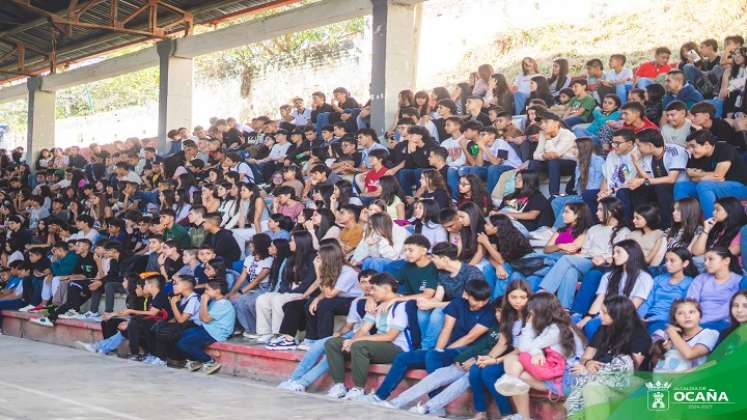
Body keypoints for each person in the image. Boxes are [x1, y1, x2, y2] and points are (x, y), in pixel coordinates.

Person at [370, 279, 495, 403]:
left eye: (484, 300)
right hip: (451, 349)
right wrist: (440, 350)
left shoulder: (489, 311)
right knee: (403, 358)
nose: (480, 304)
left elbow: (470, 338)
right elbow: (446, 329)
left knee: (433, 355)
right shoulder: (458, 303)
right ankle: (379, 396)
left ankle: (435, 403)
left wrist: (442, 353)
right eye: (477, 300)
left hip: (468, 351)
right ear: (467, 295)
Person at [276, 270, 374, 392]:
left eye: (371, 281)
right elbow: (348, 327)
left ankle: (302, 383)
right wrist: (337, 334)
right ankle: (293, 379)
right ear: (359, 284)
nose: (367, 285)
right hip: (353, 333)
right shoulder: (356, 302)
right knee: (318, 345)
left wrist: (371, 298)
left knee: (332, 352)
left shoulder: (383, 300)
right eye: (363, 282)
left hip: (368, 337)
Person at [493, 292, 584, 420]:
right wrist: (537, 353)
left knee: (515, 365)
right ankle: (513, 386)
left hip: (565, 379)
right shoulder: (553, 325)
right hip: (555, 372)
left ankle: (521, 412)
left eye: (532, 312)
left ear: (541, 311)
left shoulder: (555, 330)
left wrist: (529, 324)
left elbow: (524, 347)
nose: (530, 314)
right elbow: (534, 346)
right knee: (517, 372)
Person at [324, 272, 412, 400]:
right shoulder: (376, 305)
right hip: (378, 345)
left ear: (387, 289)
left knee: (360, 345)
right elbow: (364, 328)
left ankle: (358, 389)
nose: (371, 293)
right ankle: (339, 386)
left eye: (374, 289)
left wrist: (356, 341)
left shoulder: (401, 306)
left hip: (397, 348)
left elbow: (390, 336)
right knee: (333, 343)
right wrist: (351, 341)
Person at [565, 295, 651, 419]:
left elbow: (628, 370)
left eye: (604, 313)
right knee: (582, 382)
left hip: (629, 382)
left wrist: (591, 373)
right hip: (601, 376)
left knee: (592, 388)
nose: (600, 315)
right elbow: (586, 356)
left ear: (618, 315)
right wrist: (588, 363)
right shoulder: (604, 329)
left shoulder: (640, 336)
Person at [540, 197, 630, 308]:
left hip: (605, 264)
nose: (597, 213)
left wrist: (603, 259)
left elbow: (620, 255)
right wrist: (576, 256)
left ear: (613, 211)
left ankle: (545, 292)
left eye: (601, 210)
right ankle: (564, 309)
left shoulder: (623, 231)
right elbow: (585, 252)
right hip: (588, 262)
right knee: (570, 269)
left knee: (568, 264)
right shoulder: (594, 229)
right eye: (597, 210)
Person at [468, 280, 531, 420]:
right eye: (513, 297)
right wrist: (487, 358)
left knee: (488, 373)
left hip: (523, 357)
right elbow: (502, 343)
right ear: (507, 297)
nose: (518, 301)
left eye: (522, 297)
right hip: (511, 356)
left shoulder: (531, 316)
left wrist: (494, 361)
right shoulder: (508, 315)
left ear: (528, 298)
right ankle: (481, 412)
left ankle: (506, 414)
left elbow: (520, 350)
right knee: (476, 368)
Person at [576, 240, 655, 338]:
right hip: (606, 313)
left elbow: (633, 306)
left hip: (627, 317)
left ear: (631, 253)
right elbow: (600, 299)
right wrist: (588, 317)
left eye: (618, 252)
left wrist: (607, 319)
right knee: (577, 322)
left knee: (591, 326)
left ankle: (601, 351)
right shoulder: (609, 275)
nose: (613, 256)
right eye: (613, 252)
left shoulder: (644, 277)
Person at [675, 129, 747, 218]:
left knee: (704, 186)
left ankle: (710, 224)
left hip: (740, 187)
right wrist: (709, 176)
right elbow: (693, 178)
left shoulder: (725, 148)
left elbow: (718, 175)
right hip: (714, 186)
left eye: (693, 146)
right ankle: (685, 223)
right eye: (689, 147)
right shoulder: (696, 156)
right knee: (681, 186)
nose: (690, 150)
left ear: (706, 145)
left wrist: (699, 174)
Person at [630, 128, 688, 229]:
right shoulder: (647, 155)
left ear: (650, 146)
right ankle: (643, 223)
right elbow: (648, 178)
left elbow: (671, 179)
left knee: (661, 187)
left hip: (678, 185)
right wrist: (636, 162)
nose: (637, 149)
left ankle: (667, 227)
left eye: (639, 146)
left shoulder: (674, 151)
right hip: (658, 186)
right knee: (638, 188)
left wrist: (644, 181)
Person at [177, 280, 235, 375]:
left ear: (217, 290)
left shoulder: (224, 304)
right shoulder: (214, 302)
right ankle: (196, 360)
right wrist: (204, 303)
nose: (205, 292)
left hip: (216, 333)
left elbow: (205, 318)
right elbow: (202, 317)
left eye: (208, 289)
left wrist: (204, 301)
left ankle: (209, 362)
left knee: (183, 343)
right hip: (207, 328)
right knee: (181, 334)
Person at [652, 298, 720, 372]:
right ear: (675, 318)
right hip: (668, 379)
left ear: (700, 315)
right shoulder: (667, 337)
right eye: (680, 313)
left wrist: (672, 333)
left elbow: (689, 355)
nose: (687, 316)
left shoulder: (710, 334)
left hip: (694, 379)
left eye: (691, 312)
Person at [640, 247, 698, 334]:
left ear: (685, 263)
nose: (667, 264)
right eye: (666, 260)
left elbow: (681, 307)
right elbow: (648, 300)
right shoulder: (658, 279)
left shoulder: (689, 283)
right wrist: (640, 316)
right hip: (648, 316)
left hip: (666, 320)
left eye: (672, 261)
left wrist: (654, 319)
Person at [686, 247, 743, 331]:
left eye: (711, 259)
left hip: (722, 323)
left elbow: (728, 309)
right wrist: (693, 319)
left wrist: (701, 322)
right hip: (695, 320)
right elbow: (691, 302)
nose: (706, 263)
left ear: (726, 261)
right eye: (705, 260)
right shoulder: (701, 278)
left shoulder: (738, 281)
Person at [149, 275, 200, 367]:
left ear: (186, 285)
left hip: (193, 326)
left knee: (164, 332)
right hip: (183, 324)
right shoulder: (183, 298)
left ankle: (163, 359)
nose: (173, 286)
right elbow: (177, 319)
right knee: (157, 327)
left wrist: (173, 304)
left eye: (176, 284)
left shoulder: (193, 299)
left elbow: (181, 320)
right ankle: (159, 357)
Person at [229, 233, 273, 337]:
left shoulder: (269, 260)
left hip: (265, 288)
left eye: (252, 243)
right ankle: (250, 329)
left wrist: (240, 292)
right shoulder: (249, 258)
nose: (250, 245)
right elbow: (242, 277)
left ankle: (262, 329)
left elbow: (257, 280)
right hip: (252, 288)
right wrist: (232, 292)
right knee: (236, 300)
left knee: (248, 302)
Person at [529, 111, 578, 197]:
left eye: (546, 122)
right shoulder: (542, 134)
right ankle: (531, 194)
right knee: (533, 163)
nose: (543, 125)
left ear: (556, 123)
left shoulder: (567, 134)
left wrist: (548, 138)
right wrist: (544, 156)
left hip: (569, 164)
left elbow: (555, 154)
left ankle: (554, 195)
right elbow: (536, 155)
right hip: (551, 163)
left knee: (553, 161)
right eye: (541, 122)